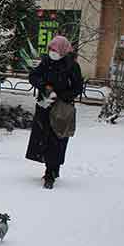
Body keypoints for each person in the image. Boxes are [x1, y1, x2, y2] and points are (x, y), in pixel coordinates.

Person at [26, 35, 83, 189]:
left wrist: (61, 96)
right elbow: (33, 76)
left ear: (63, 51)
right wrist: (44, 87)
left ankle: (51, 172)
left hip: (61, 110)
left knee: (56, 140)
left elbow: (78, 88)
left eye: (55, 49)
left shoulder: (72, 66)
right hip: (45, 107)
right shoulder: (46, 62)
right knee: (43, 138)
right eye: (50, 49)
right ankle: (50, 168)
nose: (52, 52)